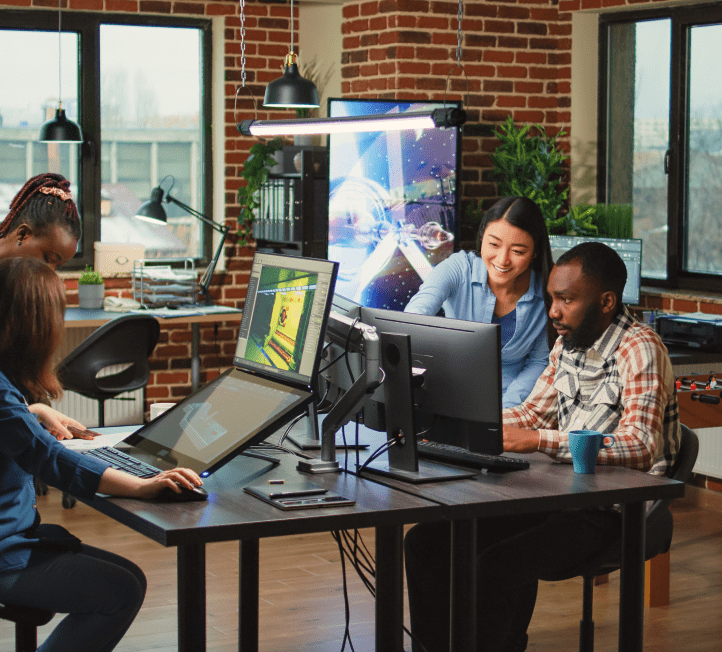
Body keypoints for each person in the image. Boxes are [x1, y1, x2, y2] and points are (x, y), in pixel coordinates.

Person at [404, 241, 680, 652]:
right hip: (563, 495)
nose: (553, 311)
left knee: (499, 564)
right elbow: (533, 413)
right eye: (552, 298)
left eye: (566, 300)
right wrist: (458, 422)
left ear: (606, 302)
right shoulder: (568, 341)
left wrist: (537, 441)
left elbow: (640, 446)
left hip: (615, 510)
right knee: (426, 542)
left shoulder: (641, 348)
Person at [0, 257, 204, 652]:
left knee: (131, 579)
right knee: (122, 591)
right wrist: (140, 486)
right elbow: (51, 460)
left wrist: (33, 411)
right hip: (6, 552)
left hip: (14, 536)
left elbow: (15, 428)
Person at [404, 196, 554, 407]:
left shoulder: (546, 292)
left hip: (513, 404)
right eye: (494, 244)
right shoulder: (459, 268)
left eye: (518, 251)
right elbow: (415, 315)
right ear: (482, 237)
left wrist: (505, 413)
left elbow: (538, 362)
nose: (502, 260)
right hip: (450, 395)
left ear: (535, 252)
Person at [0, 172, 90, 440]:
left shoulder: (20, 288)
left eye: (58, 266)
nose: (51, 272)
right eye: (48, 258)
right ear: (23, 234)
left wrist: (35, 413)